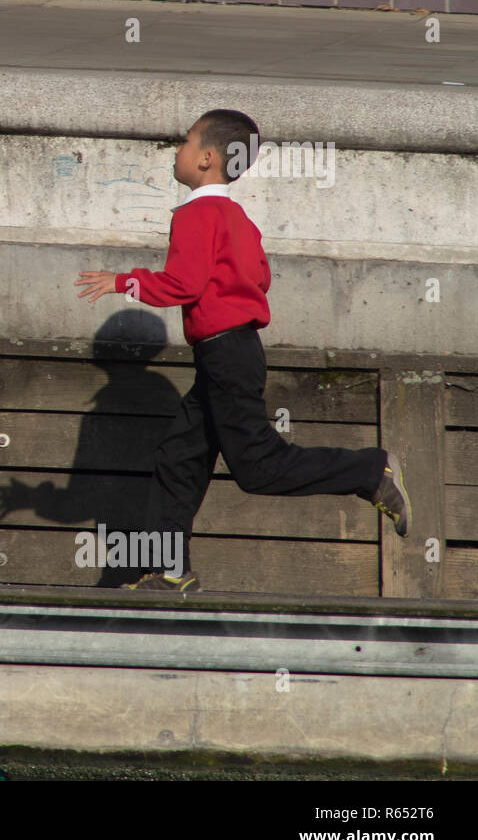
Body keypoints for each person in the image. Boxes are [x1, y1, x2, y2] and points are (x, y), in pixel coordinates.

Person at [73, 109, 411, 592]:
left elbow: (184, 284)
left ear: (208, 158)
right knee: (178, 457)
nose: (179, 150)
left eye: (186, 143)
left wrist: (122, 282)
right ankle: (168, 572)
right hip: (232, 353)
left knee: (258, 467)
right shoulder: (238, 218)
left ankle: (369, 471)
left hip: (225, 354)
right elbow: (260, 278)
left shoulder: (195, 214)